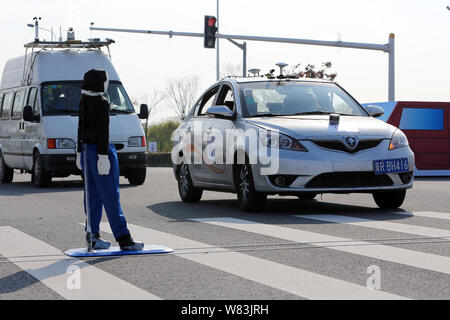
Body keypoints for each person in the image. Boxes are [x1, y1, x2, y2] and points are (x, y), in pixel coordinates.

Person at [76, 69, 144, 251]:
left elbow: (80, 128)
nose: (106, 83)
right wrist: (103, 156)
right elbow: (103, 132)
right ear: (99, 82)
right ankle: (124, 239)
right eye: (104, 80)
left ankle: (93, 236)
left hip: (86, 151)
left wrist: (78, 152)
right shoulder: (102, 102)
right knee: (111, 196)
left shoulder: (83, 100)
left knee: (91, 197)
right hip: (101, 151)